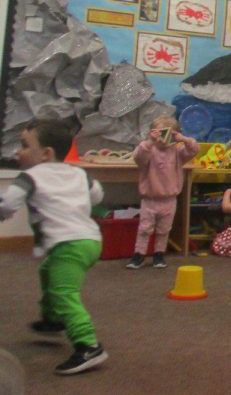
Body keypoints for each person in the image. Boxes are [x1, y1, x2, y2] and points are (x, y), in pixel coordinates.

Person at [0, 120, 108, 375]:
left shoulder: (29, 177)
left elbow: (8, 205)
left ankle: (88, 345)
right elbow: (97, 196)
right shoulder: (78, 173)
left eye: (25, 146)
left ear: (46, 153)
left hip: (68, 245)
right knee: (47, 270)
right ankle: (52, 319)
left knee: (64, 293)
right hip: (91, 241)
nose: (18, 152)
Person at [127, 115, 199, 269]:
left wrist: (184, 139)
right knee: (144, 229)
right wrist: (150, 141)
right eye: (159, 134)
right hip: (150, 199)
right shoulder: (149, 150)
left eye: (168, 135)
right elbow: (138, 157)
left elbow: (194, 149)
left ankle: (159, 254)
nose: (163, 140)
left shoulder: (177, 152)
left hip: (169, 200)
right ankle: (139, 254)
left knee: (164, 230)